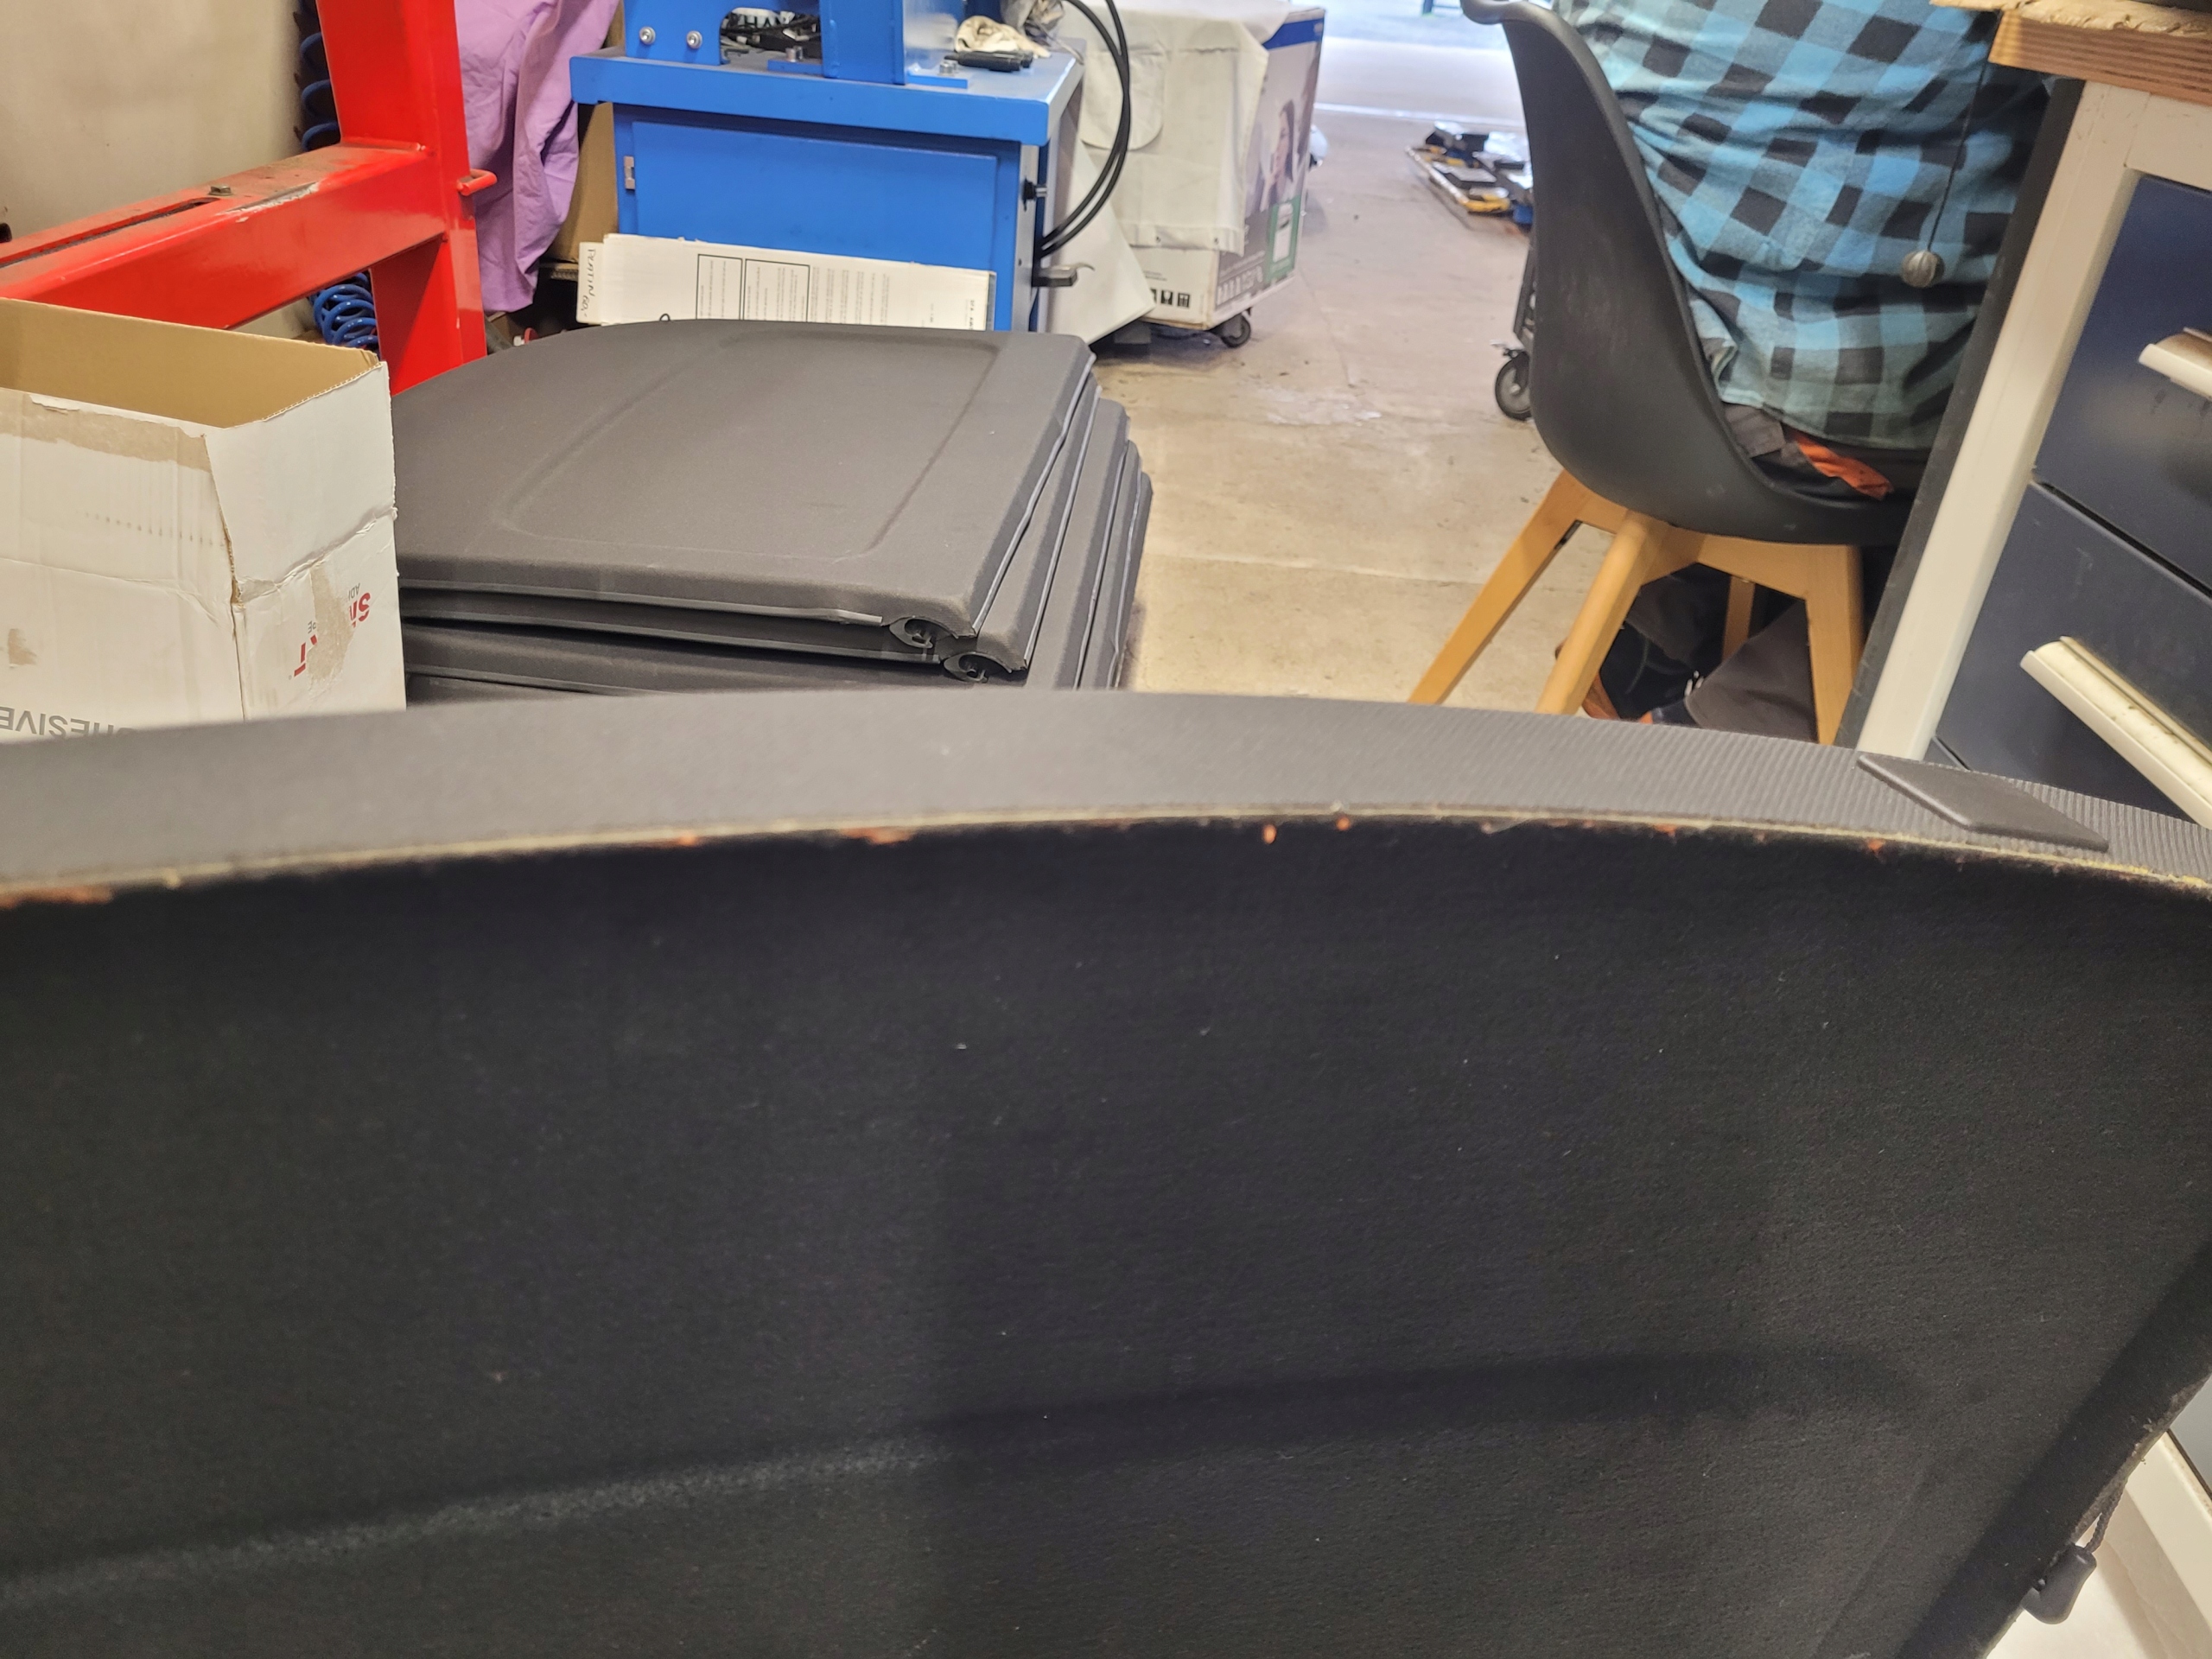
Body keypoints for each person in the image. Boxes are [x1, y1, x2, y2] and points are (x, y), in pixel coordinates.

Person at [1553, 0, 2049, 737]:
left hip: (1617, 362)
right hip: (1793, 410)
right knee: (2063, 460)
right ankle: (1739, 727)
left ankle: (1652, 640)